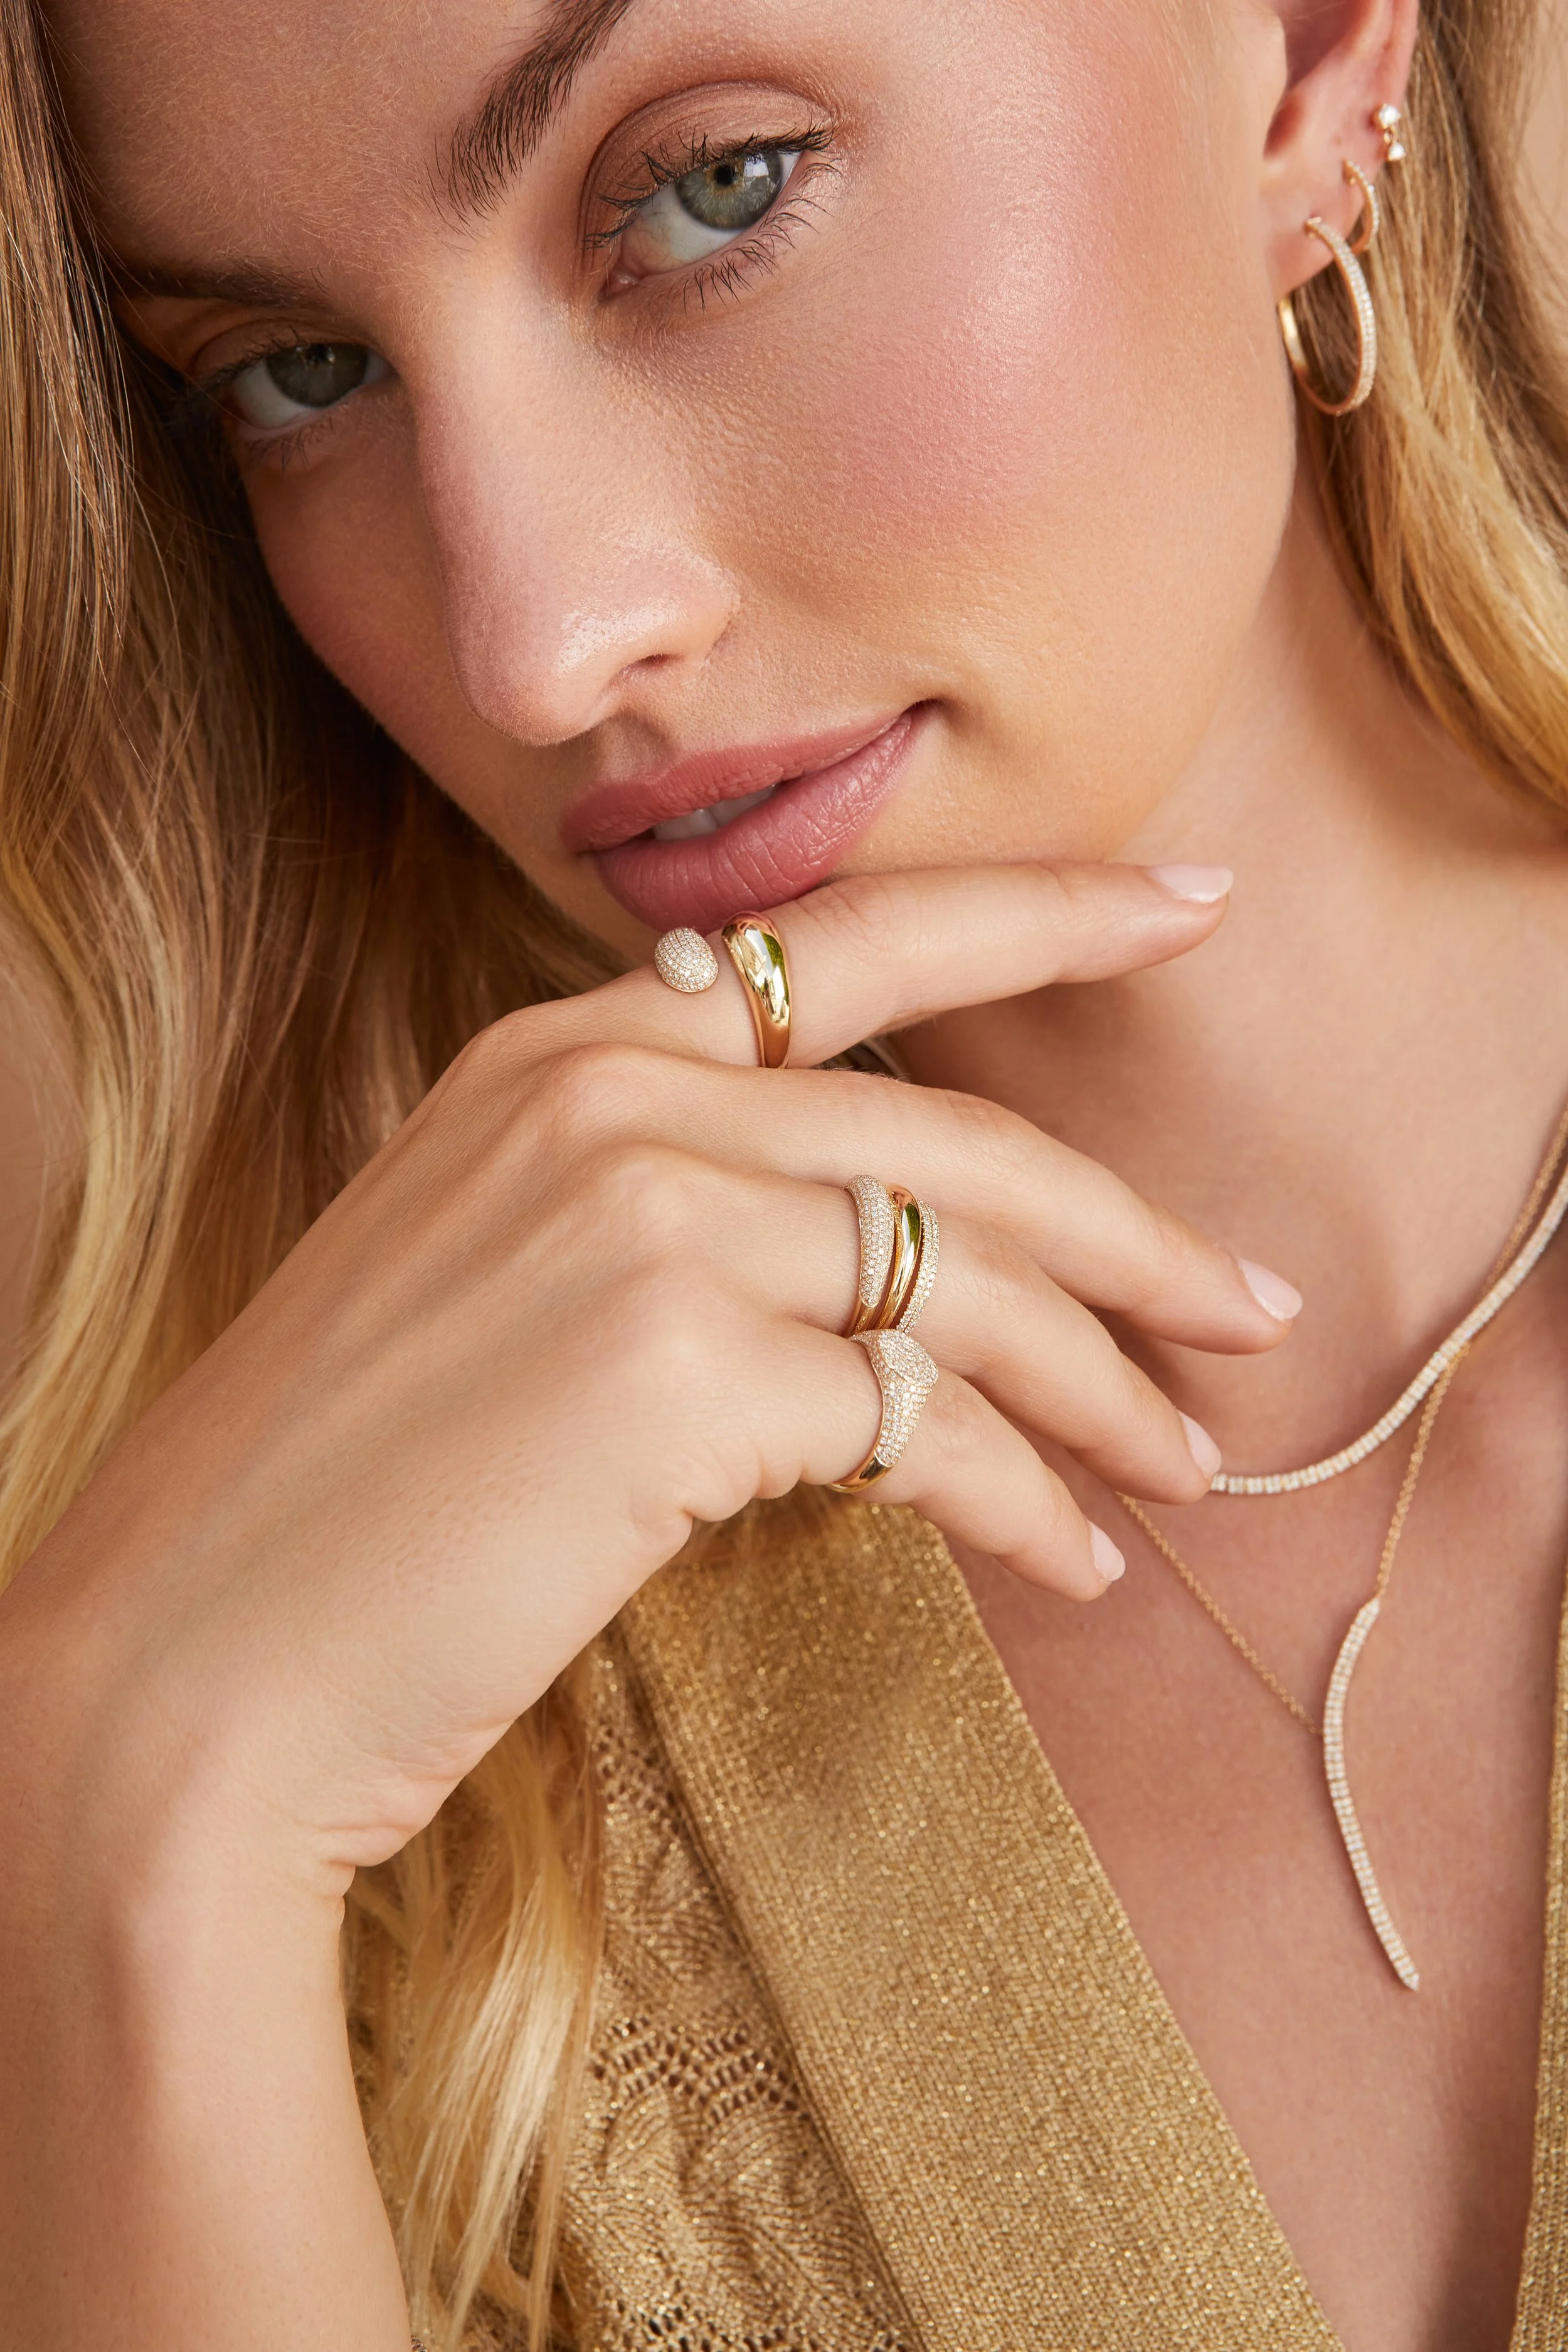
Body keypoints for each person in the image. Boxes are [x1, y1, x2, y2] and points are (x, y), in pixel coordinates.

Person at [2, 0, 1567, 2343]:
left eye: (708, 188)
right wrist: (132, 1843)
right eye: (299, 373)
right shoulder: (336, 1702)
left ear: (1299, 51)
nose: (536, 644)